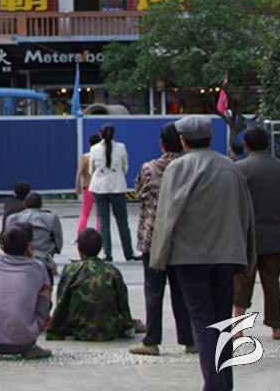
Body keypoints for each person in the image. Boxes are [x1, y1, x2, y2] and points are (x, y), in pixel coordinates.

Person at [150, 116, 257, 391]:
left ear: (183, 140)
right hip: (226, 255)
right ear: (210, 137)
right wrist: (247, 253)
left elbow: (166, 215)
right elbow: (245, 213)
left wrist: (158, 258)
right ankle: (224, 382)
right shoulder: (230, 167)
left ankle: (215, 385)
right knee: (222, 319)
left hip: (189, 256)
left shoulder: (178, 168)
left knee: (202, 320)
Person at [130, 122, 193, 356]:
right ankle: (189, 340)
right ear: (183, 143)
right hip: (182, 238)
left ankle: (152, 341)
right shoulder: (190, 168)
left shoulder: (149, 168)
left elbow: (139, 193)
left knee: (154, 291)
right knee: (182, 292)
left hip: (153, 238)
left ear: (161, 143)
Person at [232, 125, 280, 340]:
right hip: (274, 232)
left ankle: (238, 328)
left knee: (242, 282)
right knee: (272, 282)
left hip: (248, 235)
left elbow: (236, 203)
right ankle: (276, 326)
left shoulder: (239, 168)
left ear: (246, 145)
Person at [0, 224, 52, 359]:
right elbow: (45, 288)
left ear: (2, 247)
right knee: (45, 290)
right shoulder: (38, 267)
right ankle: (31, 347)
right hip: (25, 341)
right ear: (28, 246)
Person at [48, 228, 136, 342]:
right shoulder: (112, 271)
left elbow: (61, 301)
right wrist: (127, 326)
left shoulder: (71, 270)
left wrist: (55, 330)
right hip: (109, 330)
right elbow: (123, 303)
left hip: (78, 329)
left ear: (79, 249)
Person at [89, 124, 136, 262]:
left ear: (100, 134)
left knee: (104, 221)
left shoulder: (94, 148)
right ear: (114, 134)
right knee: (122, 221)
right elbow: (125, 167)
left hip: (99, 187)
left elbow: (91, 170)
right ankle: (128, 252)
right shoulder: (121, 147)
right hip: (117, 187)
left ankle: (107, 253)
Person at [6, 193, 63, 279]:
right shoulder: (51, 218)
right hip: (44, 258)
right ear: (41, 205)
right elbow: (58, 239)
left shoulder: (12, 219)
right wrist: (54, 252)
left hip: (17, 258)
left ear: (24, 205)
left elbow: (7, 240)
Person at [75, 133, 102, 236]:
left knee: (85, 213)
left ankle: (80, 234)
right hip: (100, 187)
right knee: (100, 214)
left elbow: (79, 173)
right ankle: (100, 234)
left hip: (88, 187)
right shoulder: (102, 157)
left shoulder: (85, 157)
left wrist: (78, 187)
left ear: (89, 144)